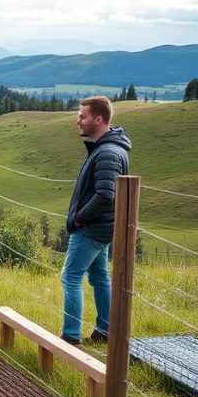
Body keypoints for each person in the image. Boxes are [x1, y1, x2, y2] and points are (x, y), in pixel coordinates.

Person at [61, 96, 131, 346]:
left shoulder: (108, 153)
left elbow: (105, 196)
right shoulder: (108, 148)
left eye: (82, 116)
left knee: (70, 277)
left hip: (92, 229)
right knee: (99, 276)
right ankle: (105, 330)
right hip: (103, 228)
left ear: (98, 119)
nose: (77, 120)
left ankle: (70, 336)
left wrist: (79, 219)